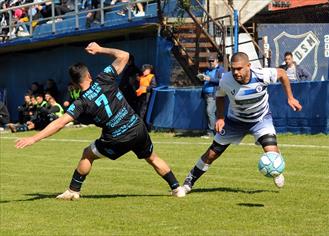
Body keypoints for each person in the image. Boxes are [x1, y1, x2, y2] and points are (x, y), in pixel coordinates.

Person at [15, 42, 186, 200]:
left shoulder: (80, 103)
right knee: (152, 157)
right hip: (136, 126)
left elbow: (59, 123)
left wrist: (33, 138)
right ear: (89, 74)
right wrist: (100, 49)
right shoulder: (104, 78)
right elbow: (124, 55)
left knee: (87, 154)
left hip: (117, 137)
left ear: (74, 84)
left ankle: (73, 191)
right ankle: (177, 189)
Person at [182, 52, 302, 193]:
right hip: (235, 121)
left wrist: (290, 97)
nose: (236, 72)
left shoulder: (262, 74)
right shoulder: (226, 80)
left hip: (260, 119)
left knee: (272, 152)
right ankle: (189, 181)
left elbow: (282, 73)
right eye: (233, 69)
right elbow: (220, 96)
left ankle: (276, 168)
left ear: (249, 66)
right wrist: (220, 118)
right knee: (212, 154)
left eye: (239, 68)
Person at [198, 54, 225, 138]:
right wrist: (201, 78)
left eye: (212, 61)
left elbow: (222, 81)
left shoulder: (221, 70)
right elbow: (205, 81)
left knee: (210, 112)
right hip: (206, 94)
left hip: (214, 95)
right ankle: (214, 131)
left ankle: (211, 132)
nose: (210, 63)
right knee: (209, 113)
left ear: (217, 61)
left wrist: (210, 79)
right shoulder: (207, 70)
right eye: (209, 61)